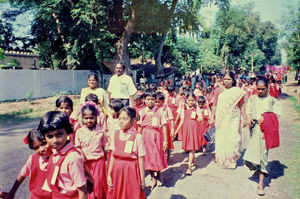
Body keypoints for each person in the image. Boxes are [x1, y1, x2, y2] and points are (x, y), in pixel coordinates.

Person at [243, 77, 281, 196]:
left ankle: (261, 183)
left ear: (267, 88)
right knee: (254, 153)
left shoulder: (272, 101)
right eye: (258, 89)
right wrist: (248, 117)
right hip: (253, 129)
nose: (260, 91)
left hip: (266, 131)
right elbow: (248, 110)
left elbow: (277, 116)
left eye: (262, 89)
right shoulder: (252, 98)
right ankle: (258, 169)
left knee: (263, 154)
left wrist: (266, 118)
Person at [38, 111, 87, 199]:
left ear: (67, 132)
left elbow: (82, 191)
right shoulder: (55, 151)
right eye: (49, 136)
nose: (55, 140)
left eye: (59, 134)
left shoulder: (73, 158)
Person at [107, 107, 146, 199]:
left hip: (131, 169)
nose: (121, 121)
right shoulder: (115, 134)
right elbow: (113, 155)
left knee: (131, 193)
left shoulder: (138, 137)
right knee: (117, 193)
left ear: (133, 120)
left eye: (124, 119)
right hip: (117, 169)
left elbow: (141, 159)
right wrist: (109, 174)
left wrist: (142, 181)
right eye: (119, 118)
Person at [212, 71, 247, 169]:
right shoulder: (218, 90)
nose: (227, 81)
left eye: (229, 79)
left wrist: (245, 118)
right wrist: (212, 117)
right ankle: (222, 160)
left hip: (233, 119)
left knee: (232, 138)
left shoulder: (237, 91)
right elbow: (214, 105)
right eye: (225, 79)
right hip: (221, 119)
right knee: (222, 139)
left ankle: (231, 160)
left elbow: (241, 106)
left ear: (233, 80)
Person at [4, 129, 52, 199]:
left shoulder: (58, 158)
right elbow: (22, 174)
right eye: (36, 148)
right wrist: (12, 193)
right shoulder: (33, 159)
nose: (42, 149)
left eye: (44, 143)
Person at [75, 103, 108, 199]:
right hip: (85, 164)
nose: (89, 120)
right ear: (82, 118)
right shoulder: (79, 132)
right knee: (87, 185)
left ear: (96, 117)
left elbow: (105, 145)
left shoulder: (101, 130)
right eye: (86, 118)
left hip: (98, 162)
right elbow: (77, 147)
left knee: (98, 184)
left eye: (91, 118)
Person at [137, 89, 168, 190]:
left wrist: (165, 141)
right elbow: (140, 127)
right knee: (149, 157)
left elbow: (163, 126)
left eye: (152, 99)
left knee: (157, 155)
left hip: (156, 136)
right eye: (148, 99)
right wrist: (137, 139)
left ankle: (159, 174)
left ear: (155, 100)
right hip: (145, 137)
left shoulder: (160, 111)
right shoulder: (141, 112)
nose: (150, 101)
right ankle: (152, 177)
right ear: (144, 100)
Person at [174, 92, 202, 175]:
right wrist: (176, 131)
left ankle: (189, 167)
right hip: (186, 129)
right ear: (186, 100)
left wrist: (199, 116)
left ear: (195, 100)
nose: (191, 102)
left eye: (192, 100)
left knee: (191, 148)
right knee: (190, 147)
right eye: (189, 100)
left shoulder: (196, 108)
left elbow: (200, 119)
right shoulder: (183, 108)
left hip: (193, 129)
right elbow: (182, 120)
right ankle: (194, 161)